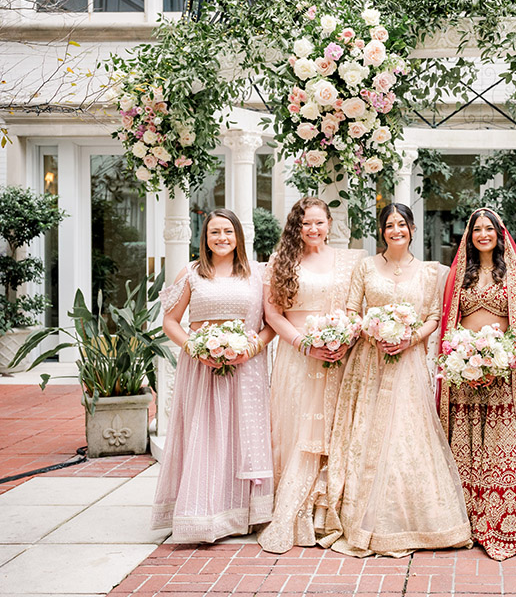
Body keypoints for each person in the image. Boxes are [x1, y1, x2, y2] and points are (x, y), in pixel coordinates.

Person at [316, 203, 472, 556]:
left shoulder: (430, 271)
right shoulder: (366, 267)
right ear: (381, 231)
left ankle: (417, 521)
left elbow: (433, 316)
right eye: (389, 225)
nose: (396, 230)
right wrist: (374, 333)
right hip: (370, 362)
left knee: (407, 434)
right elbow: (352, 310)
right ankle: (364, 517)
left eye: (402, 224)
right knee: (369, 433)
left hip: (409, 363)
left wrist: (409, 338)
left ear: (412, 229)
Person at [152, 209, 274, 542]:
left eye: (228, 232)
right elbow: (170, 322)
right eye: (214, 232)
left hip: (245, 369)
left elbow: (270, 325)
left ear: (238, 237)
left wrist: (250, 348)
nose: (222, 238)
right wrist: (196, 348)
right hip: (201, 369)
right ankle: (202, 514)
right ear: (204, 238)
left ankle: (243, 513)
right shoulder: (191, 273)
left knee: (240, 437)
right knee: (205, 436)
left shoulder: (257, 274)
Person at [257, 197, 365, 554]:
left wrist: (345, 339)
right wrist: (304, 344)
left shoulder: (349, 260)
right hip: (297, 357)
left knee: (333, 429)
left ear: (330, 223)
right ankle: (296, 512)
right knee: (298, 428)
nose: (313, 229)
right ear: (297, 227)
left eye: (319, 222)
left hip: (336, 356)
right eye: (306, 224)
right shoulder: (281, 261)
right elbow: (273, 314)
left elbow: (357, 307)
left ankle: (328, 512)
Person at [437, 208, 516, 561]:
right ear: (468, 235)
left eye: (489, 228)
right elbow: (449, 320)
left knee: (499, 449)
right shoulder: (460, 274)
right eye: (476, 229)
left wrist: (499, 360)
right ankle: (465, 524)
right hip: (464, 373)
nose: (483, 234)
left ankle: (499, 524)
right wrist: (461, 359)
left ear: (499, 233)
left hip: (502, 373)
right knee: (464, 447)